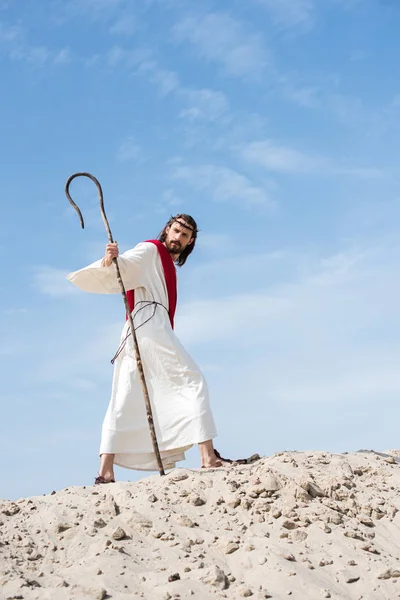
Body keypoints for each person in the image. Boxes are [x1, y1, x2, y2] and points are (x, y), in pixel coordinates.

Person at [67, 214, 223, 483]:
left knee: (125, 395)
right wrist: (110, 258)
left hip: (139, 327)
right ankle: (208, 458)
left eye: (184, 236)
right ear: (167, 229)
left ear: (190, 242)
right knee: (191, 381)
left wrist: (115, 263)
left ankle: (105, 473)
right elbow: (122, 269)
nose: (178, 238)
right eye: (175, 231)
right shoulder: (151, 249)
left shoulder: (164, 262)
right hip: (150, 324)